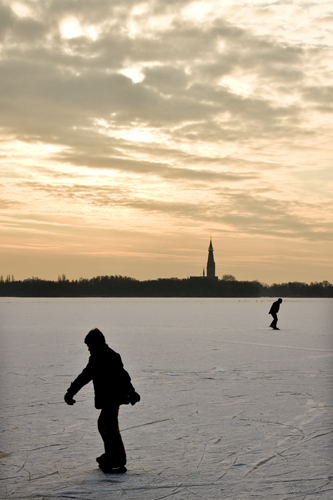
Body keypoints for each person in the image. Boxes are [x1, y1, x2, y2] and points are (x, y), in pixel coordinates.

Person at [64, 328, 140, 473]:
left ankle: (117, 460)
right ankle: (111, 454)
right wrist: (132, 392)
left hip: (110, 398)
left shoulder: (99, 357)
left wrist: (70, 392)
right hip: (113, 397)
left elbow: (85, 376)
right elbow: (123, 376)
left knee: (109, 427)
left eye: (89, 345)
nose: (88, 349)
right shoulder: (112, 355)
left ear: (96, 343)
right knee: (103, 425)